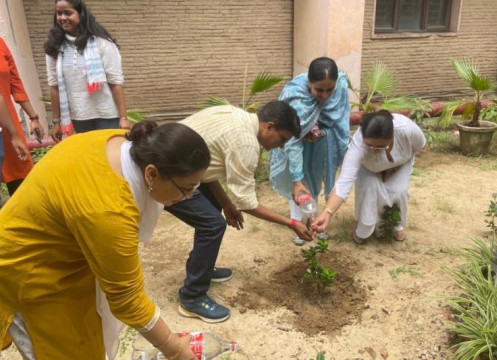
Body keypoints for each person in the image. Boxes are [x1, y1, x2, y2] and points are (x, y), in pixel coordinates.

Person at [0, 121, 211, 360]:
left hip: (66, 255)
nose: (188, 197)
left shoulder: (127, 143)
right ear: (151, 173)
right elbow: (128, 300)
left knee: (88, 341)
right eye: (185, 189)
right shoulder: (109, 211)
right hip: (29, 270)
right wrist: (176, 350)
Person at [165, 101, 313, 323]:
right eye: (282, 139)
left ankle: (201, 268)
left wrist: (225, 204)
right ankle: (192, 298)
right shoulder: (246, 144)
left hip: (182, 163)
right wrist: (292, 223)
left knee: (212, 211)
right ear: (269, 127)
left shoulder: (235, 114)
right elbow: (247, 203)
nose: (281, 146)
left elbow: (208, 166)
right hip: (169, 175)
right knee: (212, 224)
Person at [311, 110, 426, 244]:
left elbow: (420, 147)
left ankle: (395, 225)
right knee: (369, 189)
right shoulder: (358, 144)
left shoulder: (407, 129)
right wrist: (327, 213)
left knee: (399, 191)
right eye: (369, 145)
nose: (375, 150)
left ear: (393, 135)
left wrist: (392, 168)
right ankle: (364, 228)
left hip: (400, 163)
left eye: (381, 146)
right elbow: (344, 183)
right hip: (370, 167)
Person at [269, 57, 350, 245]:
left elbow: (340, 120)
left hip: (323, 145)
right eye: (318, 90)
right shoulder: (296, 96)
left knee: (315, 182)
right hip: (297, 148)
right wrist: (296, 178)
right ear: (309, 83)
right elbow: (293, 137)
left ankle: (314, 221)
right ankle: (298, 225)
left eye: (329, 89)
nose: (325, 95)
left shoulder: (341, 88)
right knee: (299, 185)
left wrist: (322, 133)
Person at [45, 0, 130, 141]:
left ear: (81, 14)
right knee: (89, 157)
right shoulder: (54, 47)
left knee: (107, 157)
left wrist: (123, 118)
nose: (62, 18)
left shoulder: (102, 43)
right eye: (59, 13)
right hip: (79, 117)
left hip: (107, 115)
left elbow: (115, 83)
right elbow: (54, 86)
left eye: (68, 13)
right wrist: (56, 122)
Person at [0, 37, 44, 195]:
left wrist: (34, 117)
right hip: (7, 128)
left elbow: (15, 83)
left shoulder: (1, 44)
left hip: (7, 126)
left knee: (20, 180)